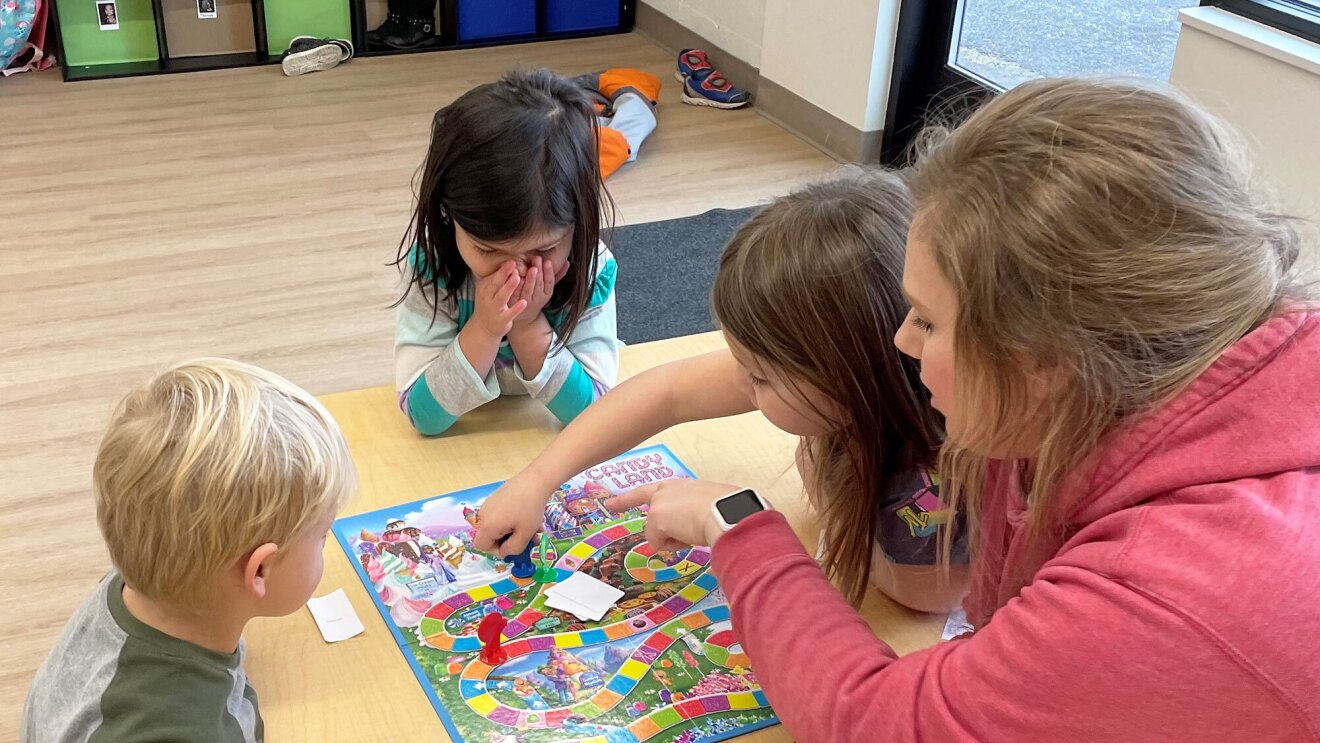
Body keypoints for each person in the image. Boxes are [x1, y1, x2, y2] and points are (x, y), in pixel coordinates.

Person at [606, 78, 1320, 740]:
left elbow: (876, 721)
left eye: (926, 319)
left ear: (1040, 357)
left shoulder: (1173, 584)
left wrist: (738, 524)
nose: (901, 340)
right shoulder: (1107, 390)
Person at [475, 169, 965, 612]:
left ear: (848, 374)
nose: (740, 382)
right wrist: (537, 480)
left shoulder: (929, 483)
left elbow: (926, 596)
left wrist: (741, 520)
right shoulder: (864, 371)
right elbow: (667, 391)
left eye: (761, 376)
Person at [22, 359, 357, 742]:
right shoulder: (178, 731)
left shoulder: (142, 589)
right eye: (323, 534)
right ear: (259, 571)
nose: (327, 542)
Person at [394, 68, 621, 437]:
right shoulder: (433, 267)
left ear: (578, 224)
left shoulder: (593, 270)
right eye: (487, 249)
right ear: (450, 219)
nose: (516, 272)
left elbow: (594, 415)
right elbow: (423, 416)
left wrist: (529, 325)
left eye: (544, 249)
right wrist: (485, 328)